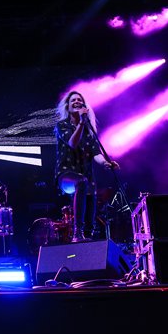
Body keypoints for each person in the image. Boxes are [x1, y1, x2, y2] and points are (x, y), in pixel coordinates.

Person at [54, 91, 119, 242]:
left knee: (88, 188)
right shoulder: (62, 125)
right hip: (66, 175)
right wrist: (81, 122)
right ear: (68, 106)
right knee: (81, 182)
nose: (76, 102)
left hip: (86, 178)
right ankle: (77, 233)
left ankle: (87, 234)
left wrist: (106, 163)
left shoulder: (89, 132)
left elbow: (96, 153)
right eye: (73, 100)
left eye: (79, 100)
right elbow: (72, 143)